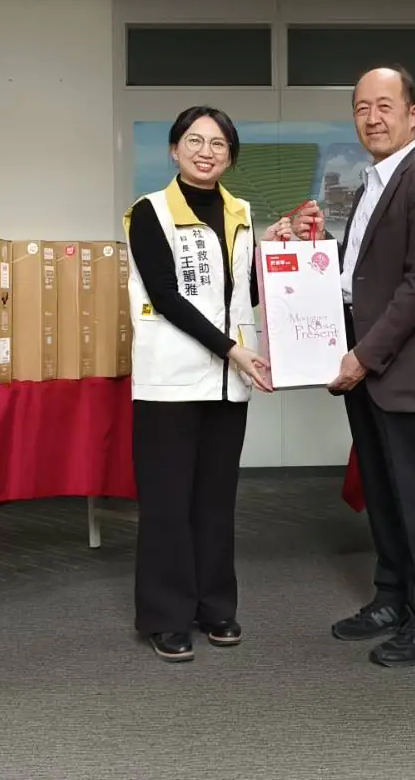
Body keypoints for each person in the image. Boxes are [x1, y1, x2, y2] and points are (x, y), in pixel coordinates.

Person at [124, 104, 320, 663]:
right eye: (194, 140)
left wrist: (276, 248)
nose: (205, 151)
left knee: (215, 500)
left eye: (218, 144)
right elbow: (167, 296)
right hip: (171, 382)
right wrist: (234, 350)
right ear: (174, 149)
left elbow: (244, 294)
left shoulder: (240, 213)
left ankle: (215, 606)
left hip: (228, 384)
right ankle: (166, 615)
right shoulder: (150, 212)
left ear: (230, 157)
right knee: (167, 503)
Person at [325, 65, 415, 668]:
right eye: (362, 108)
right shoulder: (370, 184)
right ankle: (391, 598)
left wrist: (364, 355)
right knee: (381, 491)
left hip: (399, 368)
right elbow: (358, 278)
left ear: (413, 114)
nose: (372, 118)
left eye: (385, 106)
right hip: (365, 365)